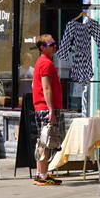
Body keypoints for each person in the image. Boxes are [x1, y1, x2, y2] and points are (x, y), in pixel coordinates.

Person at [31, 34, 64, 186]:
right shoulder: (45, 63)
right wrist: (51, 109)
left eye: (55, 43)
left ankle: (40, 173)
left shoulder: (42, 62)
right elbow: (46, 87)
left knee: (43, 141)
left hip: (42, 106)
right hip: (46, 107)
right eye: (51, 44)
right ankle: (43, 175)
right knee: (46, 141)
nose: (55, 46)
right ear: (42, 47)